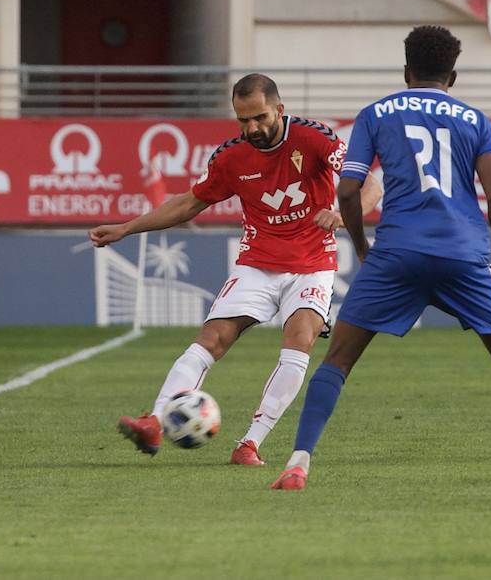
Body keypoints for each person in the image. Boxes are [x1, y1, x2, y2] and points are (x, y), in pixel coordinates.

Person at [270, 25, 491, 491]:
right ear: (454, 75)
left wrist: (364, 248)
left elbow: (348, 188)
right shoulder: (475, 120)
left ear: (406, 71)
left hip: (397, 251)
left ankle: (297, 465)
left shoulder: (377, 113)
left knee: (337, 361)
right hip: (463, 253)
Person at [90, 74, 381, 466]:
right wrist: (126, 228)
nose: (252, 128)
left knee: (299, 342)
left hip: (313, 265)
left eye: (260, 117)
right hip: (257, 264)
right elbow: (189, 204)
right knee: (211, 338)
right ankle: (155, 421)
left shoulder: (315, 139)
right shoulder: (231, 158)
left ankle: (250, 443)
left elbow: (371, 186)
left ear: (279, 109)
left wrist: (342, 217)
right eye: (243, 120)